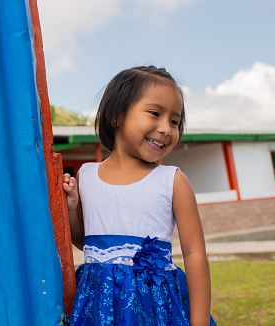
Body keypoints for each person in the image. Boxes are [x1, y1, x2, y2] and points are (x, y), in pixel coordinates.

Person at [63, 66, 216, 326]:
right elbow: (85, 242)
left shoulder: (173, 181)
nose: (166, 129)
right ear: (115, 116)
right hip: (98, 307)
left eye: (175, 121)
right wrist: (72, 207)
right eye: (155, 113)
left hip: (157, 309)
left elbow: (194, 255)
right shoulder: (87, 175)